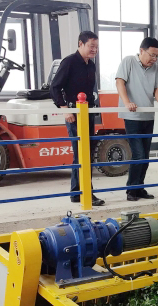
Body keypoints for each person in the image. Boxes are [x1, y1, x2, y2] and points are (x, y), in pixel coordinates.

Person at [50, 30, 105, 206]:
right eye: (91, 46)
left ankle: (76, 193)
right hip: (74, 114)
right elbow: (54, 87)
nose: (94, 50)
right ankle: (86, 193)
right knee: (82, 154)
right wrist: (65, 109)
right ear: (80, 44)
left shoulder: (91, 65)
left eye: (96, 47)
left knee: (84, 154)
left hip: (88, 113)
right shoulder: (69, 62)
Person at [115, 37, 158, 202]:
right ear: (141, 51)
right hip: (132, 116)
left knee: (145, 156)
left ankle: (139, 188)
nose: (154, 59)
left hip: (148, 116)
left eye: (157, 56)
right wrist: (127, 103)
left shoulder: (155, 67)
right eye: (152, 55)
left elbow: (157, 87)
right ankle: (131, 189)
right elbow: (120, 82)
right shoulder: (129, 61)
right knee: (138, 154)